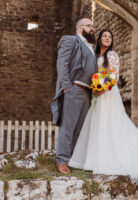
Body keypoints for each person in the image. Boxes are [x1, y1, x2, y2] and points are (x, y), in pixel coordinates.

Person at [68, 29, 138, 181]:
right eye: (104, 36)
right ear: (100, 39)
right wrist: (94, 88)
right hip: (97, 93)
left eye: (110, 36)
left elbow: (114, 76)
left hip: (107, 93)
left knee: (111, 123)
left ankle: (113, 159)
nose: (107, 38)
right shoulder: (96, 56)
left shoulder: (112, 55)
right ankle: (96, 158)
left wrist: (101, 88)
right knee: (98, 123)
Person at [51, 18, 98, 174]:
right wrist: (67, 87)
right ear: (79, 28)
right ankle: (62, 161)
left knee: (80, 128)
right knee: (68, 126)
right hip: (74, 89)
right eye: (89, 26)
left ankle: (73, 159)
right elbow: (62, 63)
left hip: (87, 93)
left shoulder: (91, 47)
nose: (92, 28)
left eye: (93, 26)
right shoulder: (70, 40)